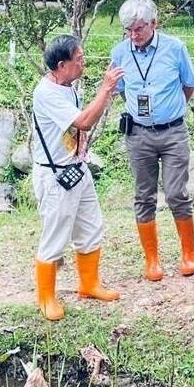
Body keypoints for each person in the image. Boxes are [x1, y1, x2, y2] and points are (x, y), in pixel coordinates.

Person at [32, 35, 124, 321]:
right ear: (62, 65)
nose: (84, 63)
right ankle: (46, 298)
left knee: (91, 226)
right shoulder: (46, 93)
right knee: (55, 235)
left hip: (77, 167)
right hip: (55, 174)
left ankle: (89, 284)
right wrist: (106, 90)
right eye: (79, 59)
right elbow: (83, 121)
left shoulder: (68, 86)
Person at [111, 0, 194, 281]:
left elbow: (189, 85)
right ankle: (152, 260)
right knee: (143, 196)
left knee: (176, 194)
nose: (133, 36)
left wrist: (168, 111)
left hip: (173, 132)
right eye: (129, 30)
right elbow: (121, 90)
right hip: (138, 134)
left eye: (138, 29)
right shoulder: (120, 52)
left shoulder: (175, 48)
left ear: (154, 23)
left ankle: (188, 254)